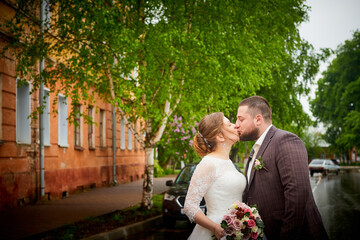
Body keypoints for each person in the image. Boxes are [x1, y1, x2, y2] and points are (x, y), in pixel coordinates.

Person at [235, 96, 329, 240]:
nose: (236, 125)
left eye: (241, 119)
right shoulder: (255, 150)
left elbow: (297, 196)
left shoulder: (285, 141)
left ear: (258, 119)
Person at [184, 112, 246, 240]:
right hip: (217, 232)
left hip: (238, 230)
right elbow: (189, 206)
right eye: (229, 124)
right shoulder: (208, 163)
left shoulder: (229, 163)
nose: (235, 126)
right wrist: (215, 228)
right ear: (220, 136)